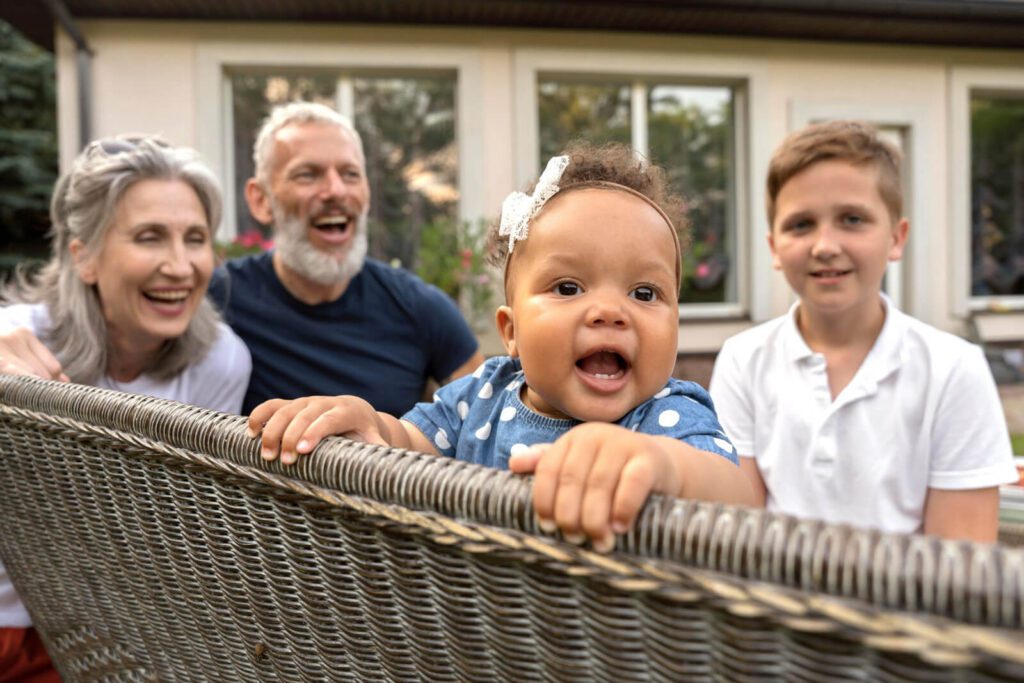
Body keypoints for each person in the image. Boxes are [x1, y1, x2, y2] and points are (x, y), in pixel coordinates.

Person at [248, 143, 756, 552]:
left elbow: (735, 496)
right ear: (510, 332)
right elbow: (409, 444)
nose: (610, 311)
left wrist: (660, 465)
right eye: (568, 288)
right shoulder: (483, 396)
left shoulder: (666, 416)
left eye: (644, 293)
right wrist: (368, 423)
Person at [0, 135, 251, 680]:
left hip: (111, 635)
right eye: (149, 238)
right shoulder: (16, 342)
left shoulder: (219, 361)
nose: (181, 266)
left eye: (196, 238)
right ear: (83, 256)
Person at [709, 120, 1018, 542]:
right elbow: (739, 534)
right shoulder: (742, 360)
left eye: (852, 219)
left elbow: (960, 567)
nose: (825, 245)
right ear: (773, 247)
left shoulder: (954, 370)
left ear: (896, 238)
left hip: (908, 606)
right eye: (801, 224)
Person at [208, 101, 484, 415]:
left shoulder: (420, 308)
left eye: (350, 174)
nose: (336, 191)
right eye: (307, 175)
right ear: (261, 200)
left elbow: (484, 423)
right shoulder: (218, 298)